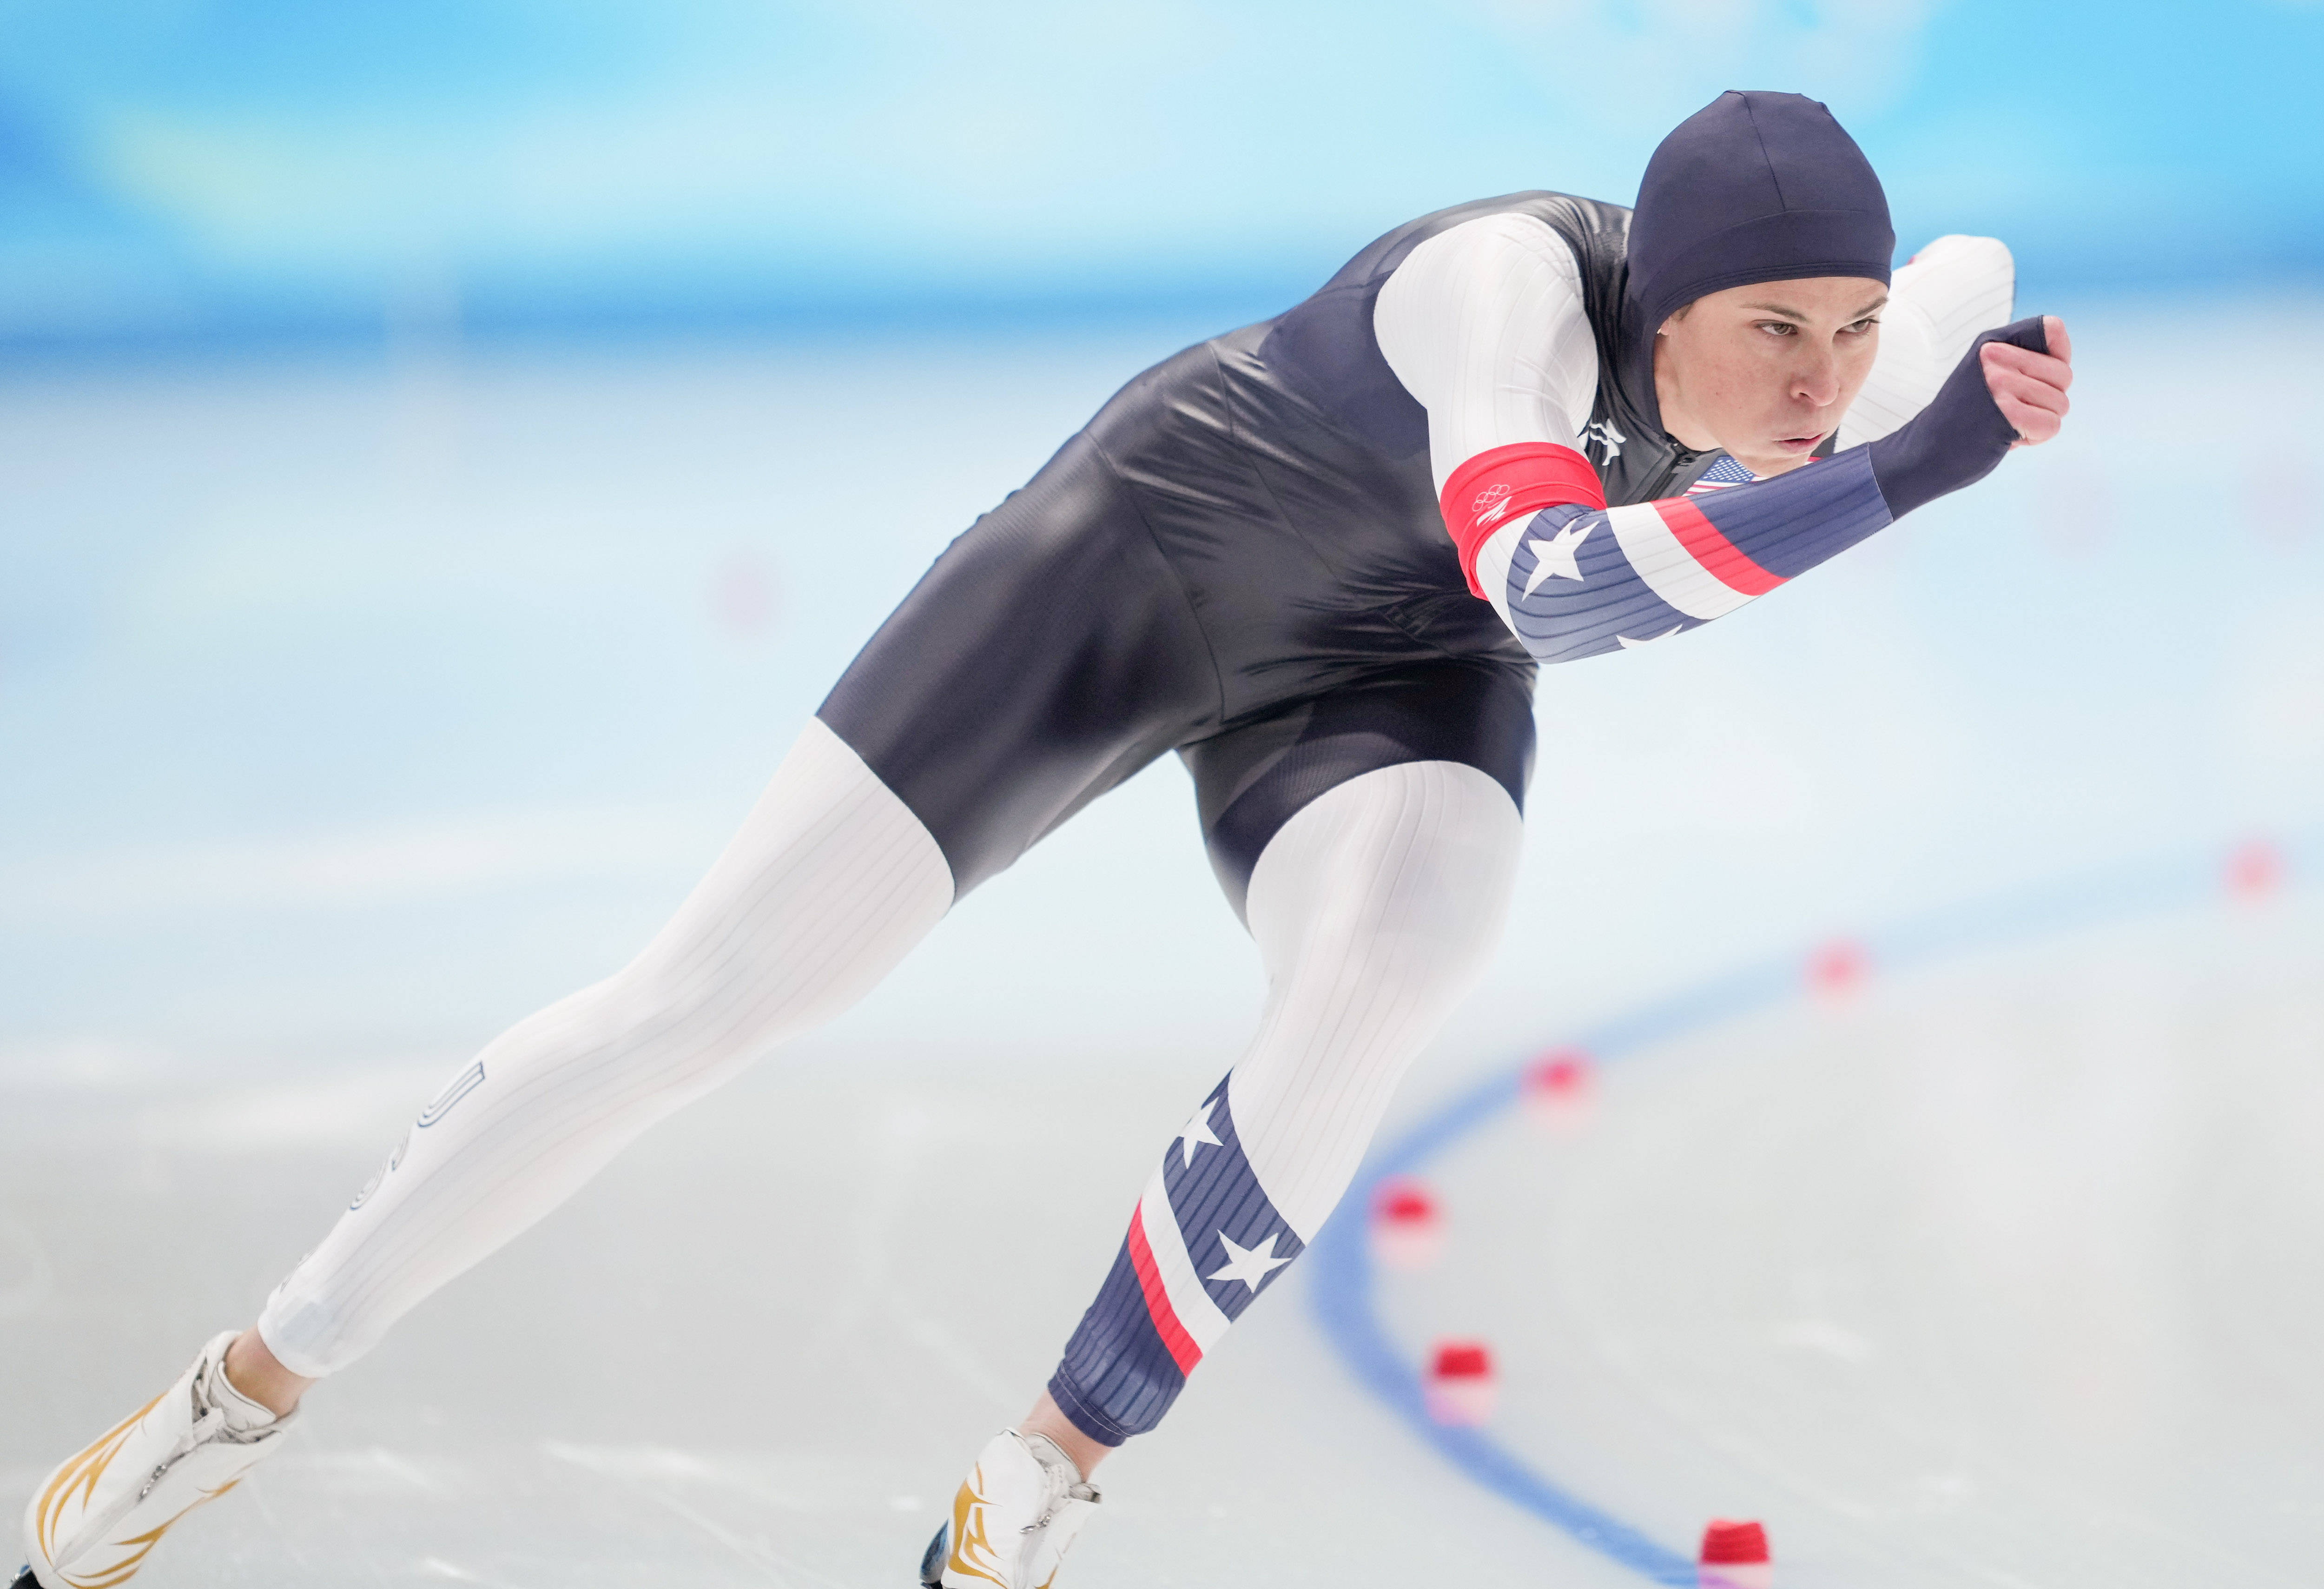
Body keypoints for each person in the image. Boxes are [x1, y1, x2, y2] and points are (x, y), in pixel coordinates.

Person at [14, 89, 2071, 1589]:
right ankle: (238, 1392)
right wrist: (1915, 476)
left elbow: (1719, 491)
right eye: (1769, 333)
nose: (1814, 382)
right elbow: (1549, 585)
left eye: (1848, 331)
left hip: (1389, 671)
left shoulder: (1861, 356)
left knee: (1398, 959)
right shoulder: (1502, 291)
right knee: (710, 1001)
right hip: (1135, 568)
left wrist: (1921, 410)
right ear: (1670, 302)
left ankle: (1039, 1481)